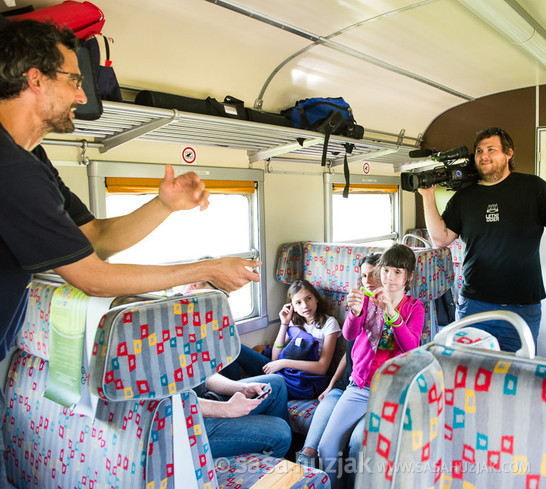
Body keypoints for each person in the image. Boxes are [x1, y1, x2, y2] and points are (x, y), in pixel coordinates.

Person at [0, 20, 261, 364]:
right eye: (74, 80)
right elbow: (93, 278)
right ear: (35, 79)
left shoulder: (31, 158)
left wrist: (164, 205)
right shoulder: (11, 167)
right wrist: (206, 270)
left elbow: (96, 238)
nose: (81, 95)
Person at [418, 127, 546, 351]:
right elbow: (441, 238)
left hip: (521, 304)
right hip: (474, 302)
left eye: (491, 149)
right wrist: (427, 196)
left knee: (514, 371)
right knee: (470, 369)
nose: (484, 155)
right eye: (479, 151)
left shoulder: (533, 188)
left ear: (508, 153)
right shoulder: (464, 197)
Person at [318, 244, 424, 489]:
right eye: (386, 270)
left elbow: (411, 346)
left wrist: (391, 312)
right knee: (327, 446)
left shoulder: (414, 307)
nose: (390, 278)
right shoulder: (368, 298)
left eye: (398, 272)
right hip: (360, 386)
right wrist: (355, 313)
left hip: (391, 392)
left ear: (408, 276)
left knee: (358, 446)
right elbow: (349, 335)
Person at [296, 254, 381, 471]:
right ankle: (308, 482)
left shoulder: (387, 315)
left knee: (334, 444)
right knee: (309, 451)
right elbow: (348, 353)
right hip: (343, 386)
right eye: (363, 276)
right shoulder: (358, 309)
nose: (368, 280)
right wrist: (332, 385)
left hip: (365, 389)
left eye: (373, 274)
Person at [239, 280, 340, 397]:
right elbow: (275, 357)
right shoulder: (295, 322)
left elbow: (322, 368)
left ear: (316, 298)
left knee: (256, 389)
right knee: (237, 349)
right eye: (298, 302)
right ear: (293, 307)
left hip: (303, 380)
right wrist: (284, 324)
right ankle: (227, 393)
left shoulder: (329, 323)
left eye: (308, 298)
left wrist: (284, 363)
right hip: (285, 371)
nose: (305, 306)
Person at [195, 372, 292, 458]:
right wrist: (227, 409)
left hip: (203, 398)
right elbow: (182, 403)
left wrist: (243, 388)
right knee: (280, 431)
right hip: (189, 424)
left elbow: (203, 374)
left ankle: (284, 453)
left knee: (277, 383)